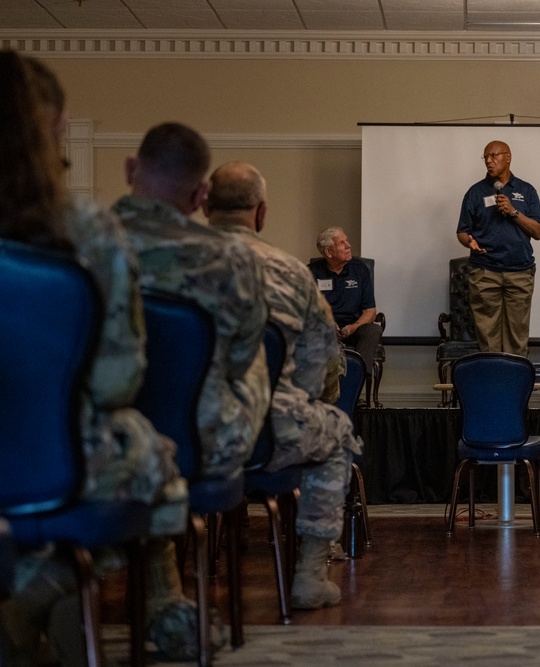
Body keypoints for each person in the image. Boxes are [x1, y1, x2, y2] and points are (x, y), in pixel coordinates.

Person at [0, 52, 186, 665]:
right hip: (54, 460)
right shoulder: (87, 229)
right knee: (153, 456)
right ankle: (45, 594)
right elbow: (119, 377)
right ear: (51, 130)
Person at [112, 123, 271, 660]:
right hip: (204, 443)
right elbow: (244, 359)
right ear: (201, 196)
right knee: (249, 359)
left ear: (131, 171)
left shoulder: (79, 244)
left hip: (94, 445)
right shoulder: (233, 258)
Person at [205, 161, 362, 608]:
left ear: (204, 207)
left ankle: (166, 590)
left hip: (180, 437)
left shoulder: (163, 266)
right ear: (261, 214)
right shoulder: (294, 274)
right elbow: (322, 364)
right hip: (265, 437)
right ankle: (309, 576)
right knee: (336, 436)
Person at [456, 139, 540, 358]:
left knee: (517, 337)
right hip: (485, 272)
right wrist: (469, 241)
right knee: (488, 339)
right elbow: (462, 231)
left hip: (520, 273)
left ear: (508, 157)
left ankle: (514, 387)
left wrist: (513, 211)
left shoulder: (527, 190)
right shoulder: (475, 193)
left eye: (494, 156)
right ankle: (491, 389)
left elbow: (538, 232)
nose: (489, 161)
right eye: (485, 157)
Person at [308, 227, 382, 380]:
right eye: (342, 243)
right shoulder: (311, 273)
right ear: (329, 252)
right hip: (326, 328)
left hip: (355, 327)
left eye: (346, 241)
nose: (348, 245)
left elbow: (370, 311)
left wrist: (353, 327)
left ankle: (355, 379)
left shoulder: (360, 270)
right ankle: (330, 388)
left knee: (373, 330)